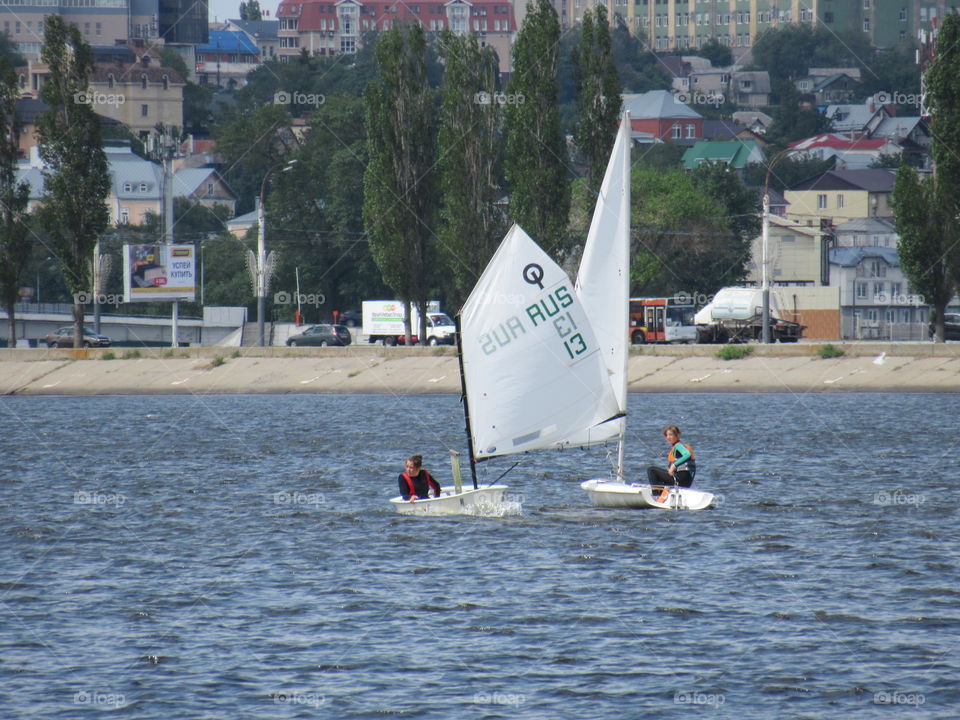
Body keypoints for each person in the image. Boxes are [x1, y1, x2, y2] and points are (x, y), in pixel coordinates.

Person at [647, 425, 696, 503]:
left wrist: (673, 465)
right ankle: (663, 494)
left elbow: (687, 455)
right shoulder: (677, 446)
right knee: (661, 476)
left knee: (651, 470)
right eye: (667, 435)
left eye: (671, 435)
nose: (668, 437)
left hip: (679, 480)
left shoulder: (679, 445)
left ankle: (656, 496)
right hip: (685, 483)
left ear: (677, 435)